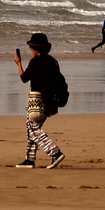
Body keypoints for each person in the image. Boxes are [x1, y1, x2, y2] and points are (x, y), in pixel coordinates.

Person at [12, 32, 65, 168]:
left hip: (37, 100)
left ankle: (55, 153)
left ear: (36, 49)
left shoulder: (35, 62)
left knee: (32, 129)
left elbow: (24, 78)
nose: (31, 51)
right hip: (50, 101)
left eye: (31, 49)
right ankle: (29, 159)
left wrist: (18, 64)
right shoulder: (53, 62)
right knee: (33, 128)